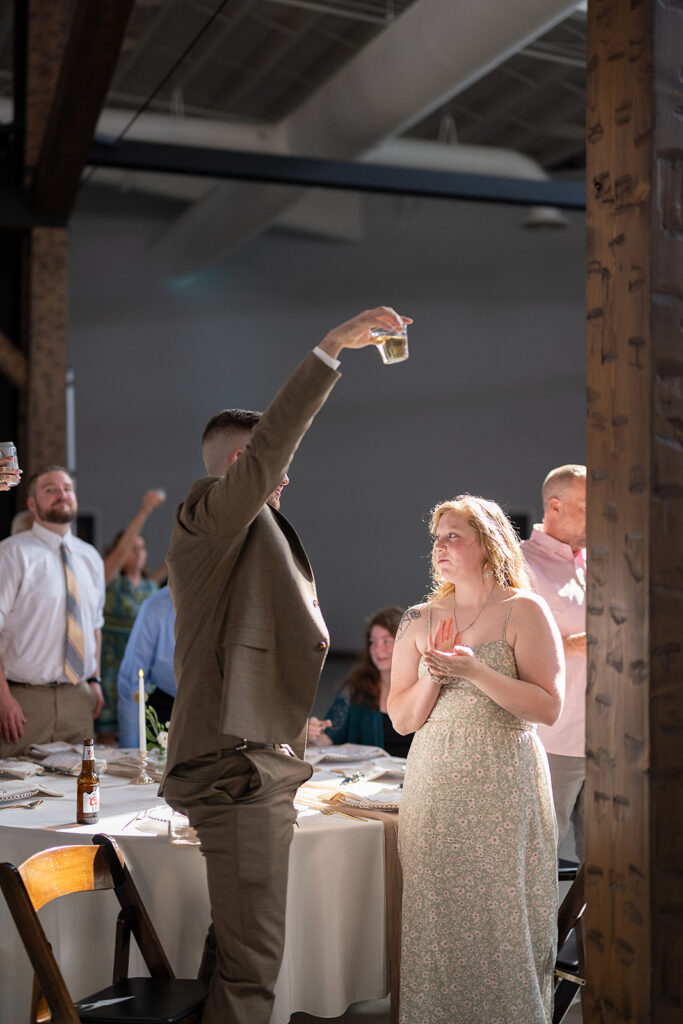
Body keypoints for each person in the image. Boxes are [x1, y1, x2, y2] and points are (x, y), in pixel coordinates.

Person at [160, 306, 410, 1024]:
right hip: (235, 769)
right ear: (244, 465)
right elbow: (269, 450)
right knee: (254, 971)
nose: (287, 480)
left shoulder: (248, 531)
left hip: (256, 762)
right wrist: (330, 349)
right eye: (278, 467)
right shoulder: (210, 511)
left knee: (234, 952)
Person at [389, 495, 564, 1024]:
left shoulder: (524, 610)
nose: (439, 547)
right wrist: (432, 676)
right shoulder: (419, 618)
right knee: (436, 917)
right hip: (434, 784)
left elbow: (548, 708)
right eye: (436, 538)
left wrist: (474, 672)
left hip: (502, 784)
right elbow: (400, 719)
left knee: (501, 914)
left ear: (488, 545)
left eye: (453, 537)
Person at [0, 466, 105, 756]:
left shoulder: (90, 558)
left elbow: (93, 625)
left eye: (67, 489)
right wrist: (3, 697)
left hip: (78, 699)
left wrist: (94, 680)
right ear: (32, 504)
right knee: (17, 794)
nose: (62, 495)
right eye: (50, 490)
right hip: (22, 701)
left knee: (81, 792)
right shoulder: (10, 554)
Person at [521, 464, 586, 861]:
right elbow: (510, 647)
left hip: (611, 742)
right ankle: (540, 929)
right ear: (555, 506)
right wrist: (579, 644)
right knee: (540, 860)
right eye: (587, 506)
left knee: (611, 867)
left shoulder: (600, 562)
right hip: (553, 740)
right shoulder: (522, 565)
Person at [98, 489, 166, 742]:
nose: (138, 553)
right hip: (110, 670)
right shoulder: (110, 583)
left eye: (142, 548)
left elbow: (173, 560)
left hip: (140, 674)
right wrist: (145, 510)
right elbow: (117, 555)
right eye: (132, 548)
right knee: (106, 738)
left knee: (139, 738)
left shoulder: (150, 586)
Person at [307, 606, 413, 756]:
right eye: (373, 642)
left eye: (386, 641)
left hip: (415, 778)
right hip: (368, 777)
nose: (377, 649)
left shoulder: (424, 686)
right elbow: (328, 738)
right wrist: (312, 734)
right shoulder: (357, 688)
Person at [117, 585, 176, 748]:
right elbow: (131, 681)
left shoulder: (226, 601)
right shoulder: (156, 606)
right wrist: (130, 749)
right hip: (165, 712)